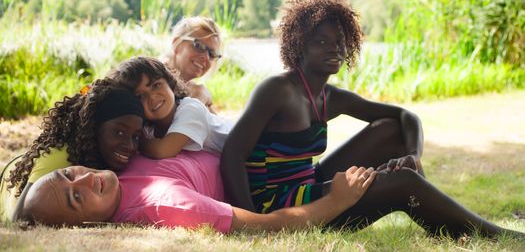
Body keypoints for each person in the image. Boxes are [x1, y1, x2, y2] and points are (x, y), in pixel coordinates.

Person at [220, 0, 524, 238]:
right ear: (299, 45)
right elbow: (232, 155)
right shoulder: (277, 90)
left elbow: (405, 117)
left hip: (308, 182)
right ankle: (502, 236)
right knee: (401, 182)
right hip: (276, 202)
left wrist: (414, 155)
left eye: (339, 42)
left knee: (391, 130)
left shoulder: (330, 97)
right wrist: (254, 224)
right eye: (321, 42)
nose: (334, 49)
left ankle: (442, 225)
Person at [19, 151, 377, 232]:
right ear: (85, 225)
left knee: (391, 128)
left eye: (69, 174)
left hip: (280, 156)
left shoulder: (115, 159)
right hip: (280, 185)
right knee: (396, 183)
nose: (84, 180)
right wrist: (338, 200)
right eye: (76, 198)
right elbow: (267, 226)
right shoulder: (168, 206)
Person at [0, 79, 145, 222]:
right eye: (119, 132)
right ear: (94, 128)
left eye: (136, 137)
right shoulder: (59, 157)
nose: (130, 145)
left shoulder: (112, 160)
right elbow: (20, 220)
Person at [108, 56, 232, 159]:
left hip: (246, 148)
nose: (152, 97)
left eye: (156, 85)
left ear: (170, 84)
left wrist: (138, 141)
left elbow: (162, 151)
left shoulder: (190, 109)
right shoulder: (150, 128)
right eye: (140, 96)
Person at [164, 16, 222, 113]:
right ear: (176, 44)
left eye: (212, 54)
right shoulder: (153, 79)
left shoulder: (191, 88)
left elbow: (219, 125)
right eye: (198, 46)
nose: (206, 57)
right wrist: (199, 96)